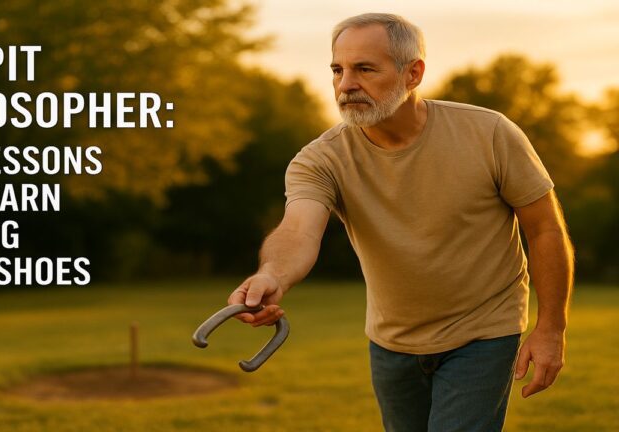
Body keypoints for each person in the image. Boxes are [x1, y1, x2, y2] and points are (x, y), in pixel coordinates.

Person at [227, 12, 574, 432]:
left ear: (413, 73)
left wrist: (551, 327)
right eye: (338, 70)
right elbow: (299, 230)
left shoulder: (489, 133)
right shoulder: (321, 159)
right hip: (391, 342)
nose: (346, 84)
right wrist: (272, 276)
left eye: (364, 69)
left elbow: (544, 229)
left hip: (484, 332)